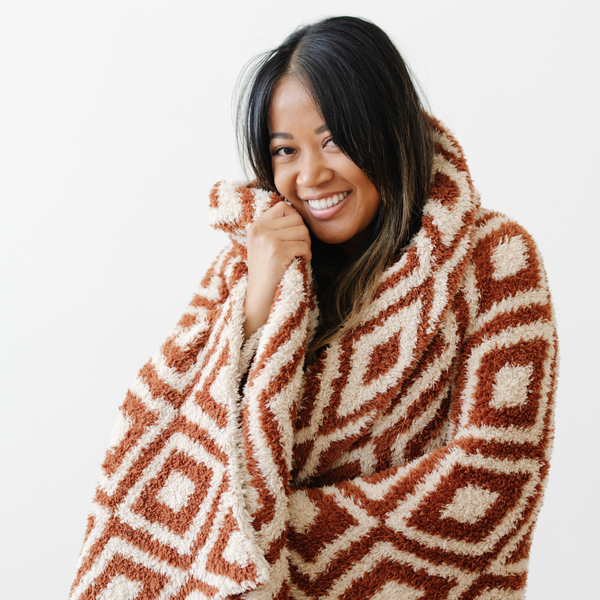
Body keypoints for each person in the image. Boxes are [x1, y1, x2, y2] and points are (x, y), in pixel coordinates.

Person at [70, 16, 558, 600]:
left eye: (334, 139)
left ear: (387, 127)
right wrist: (257, 304)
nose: (311, 174)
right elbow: (160, 453)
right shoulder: (247, 268)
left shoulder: (493, 259)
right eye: (285, 150)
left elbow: (491, 489)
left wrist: (254, 540)